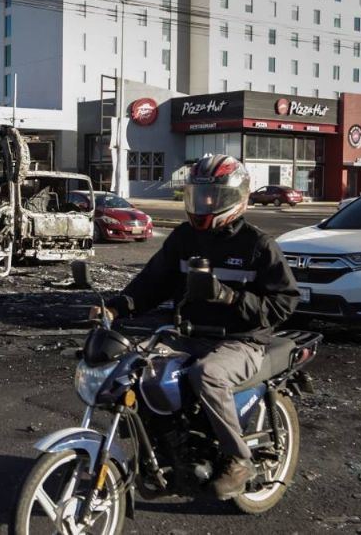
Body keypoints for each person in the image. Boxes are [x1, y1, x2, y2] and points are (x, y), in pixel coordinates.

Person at [92, 154, 299, 499]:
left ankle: (238, 459)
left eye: (214, 197)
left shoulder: (258, 245)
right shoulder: (185, 238)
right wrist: (117, 307)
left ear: (237, 197)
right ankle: (163, 455)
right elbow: (152, 282)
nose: (205, 204)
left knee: (208, 374)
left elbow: (284, 303)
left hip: (242, 341)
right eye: (200, 196)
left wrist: (229, 297)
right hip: (188, 334)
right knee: (136, 369)